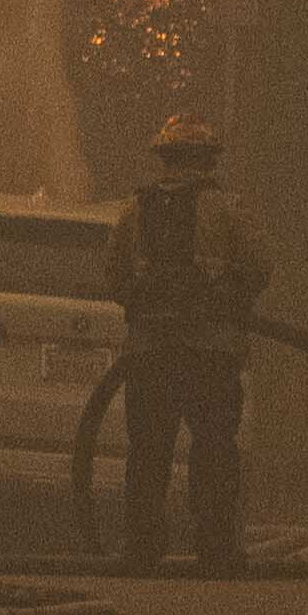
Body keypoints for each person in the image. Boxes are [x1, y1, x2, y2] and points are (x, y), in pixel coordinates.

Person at [113, 116, 270, 575]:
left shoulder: (135, 210)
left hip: (149, 353)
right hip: (212, 353)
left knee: (148, 451)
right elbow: (260, 267)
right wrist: (220, 299)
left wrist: (148, 306)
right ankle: (216, 551)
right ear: (208, 160)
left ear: (163, 159)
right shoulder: (227, 209)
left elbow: (113, 274)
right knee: (215, 449)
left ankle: (141, 549)